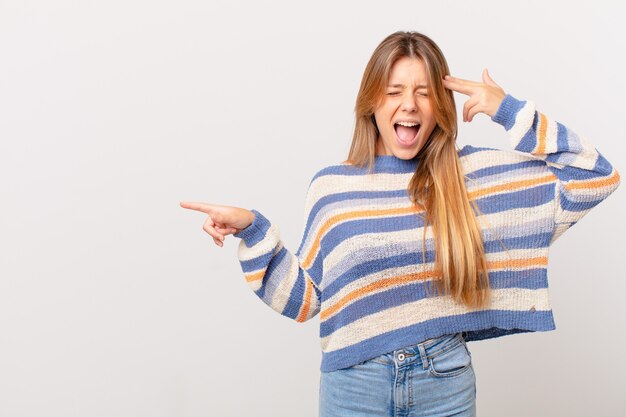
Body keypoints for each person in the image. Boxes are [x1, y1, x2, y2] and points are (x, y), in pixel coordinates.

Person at [180, 31, 620, 416]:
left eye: (424, 92)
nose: (409, 104)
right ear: (372, 102)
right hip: (354, 387)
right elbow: (306, 300)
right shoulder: (333, 186)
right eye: (393, 91)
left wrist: (508, 110)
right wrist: (254, 230)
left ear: (440, 106)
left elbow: (596, 176)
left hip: (444, 380)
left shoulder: (473, 178)